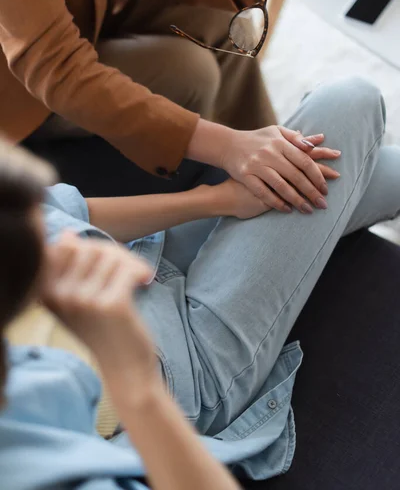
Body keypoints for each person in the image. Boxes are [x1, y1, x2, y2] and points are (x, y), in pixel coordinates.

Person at [3, 76, 400, 489]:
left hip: (140, 260)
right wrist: (135, 381)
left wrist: (220, 199)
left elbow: (66, 213)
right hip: (183, 371)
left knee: (349, 169)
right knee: (350, 100)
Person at [0, 0, 294, 196]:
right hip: (19, 80)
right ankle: (234, 189)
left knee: (219, 12)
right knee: (189, 71)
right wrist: (224, 147)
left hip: (101, 2)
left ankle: (283, 167)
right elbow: (55, 67)